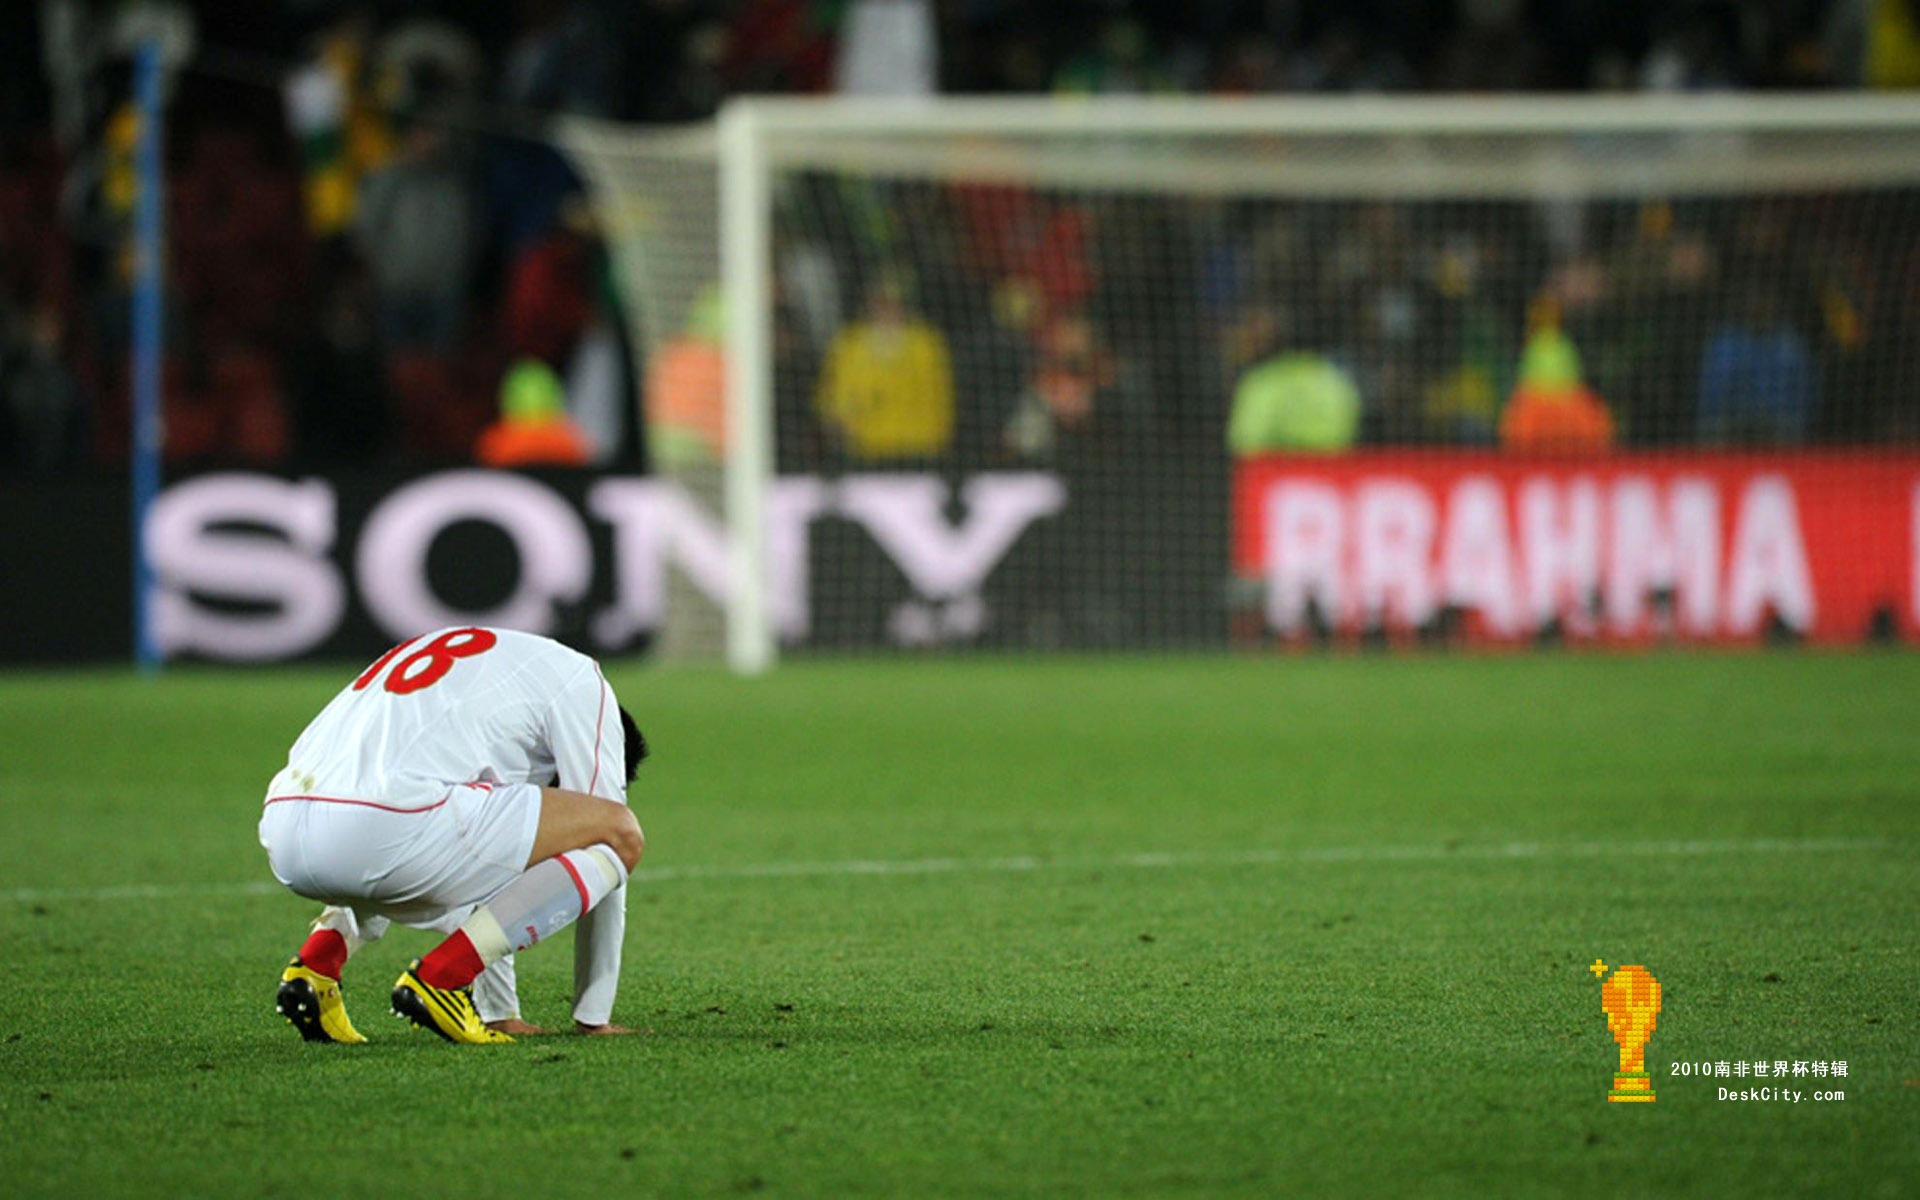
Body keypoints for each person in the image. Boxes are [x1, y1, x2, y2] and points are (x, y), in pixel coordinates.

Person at [259, 626, 647, 1045]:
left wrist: (501, 1014)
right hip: (383, 827)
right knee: (616, 833)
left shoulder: (488, 667)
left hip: (284, 823)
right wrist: (594, 1015)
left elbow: (489, 855)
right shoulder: (583, 682)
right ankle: (442, 979)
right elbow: (608, 826)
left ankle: (316, 966)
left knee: (451, 823)